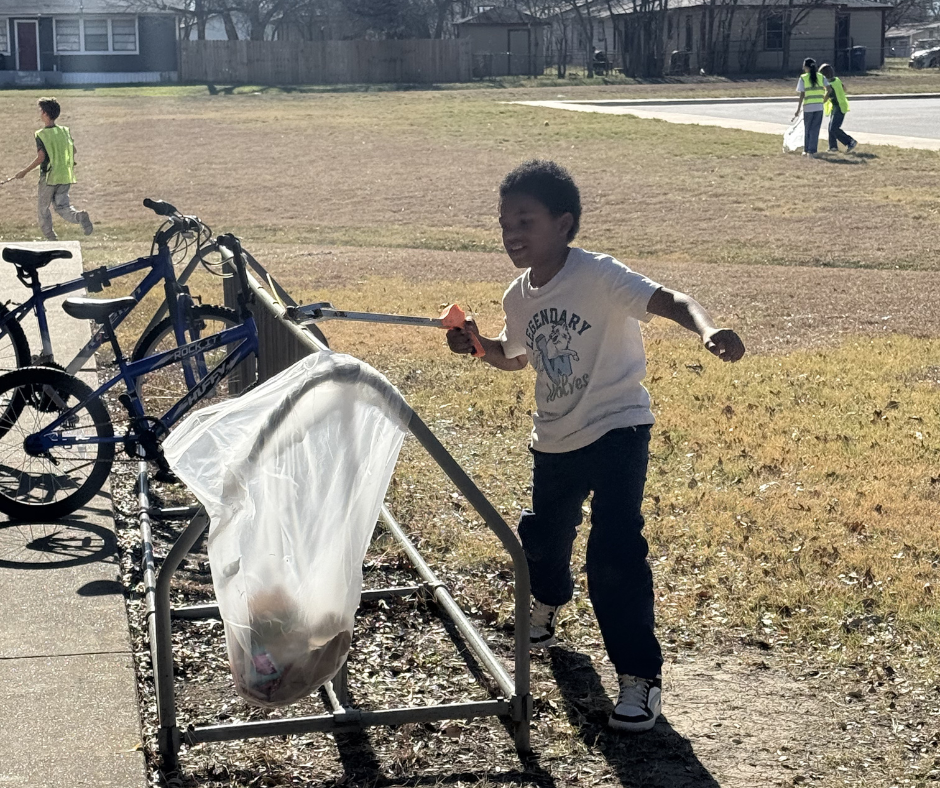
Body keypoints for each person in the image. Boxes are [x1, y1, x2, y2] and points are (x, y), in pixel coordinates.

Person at [446, 160, 745, 732]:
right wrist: (478, 346)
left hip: (618, 428)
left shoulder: (600, 274)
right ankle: (547, 602)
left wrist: (708, 330)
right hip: (554, 439)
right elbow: (515, 356)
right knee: (544, 538)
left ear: (564, 223)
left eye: (525, 221)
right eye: (504, 223)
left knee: (614, 552)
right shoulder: (518, 295)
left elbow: (672, 300)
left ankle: (638, 677)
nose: (511, 234)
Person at [14, 97, 93, 241]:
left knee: (43, 209)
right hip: (65, 175)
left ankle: (51, 238)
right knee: (62, 207)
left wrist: (24, 172)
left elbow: (41, 157)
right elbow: (73, 150)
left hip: (49, 177)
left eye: (40, 111)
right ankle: (79, 216)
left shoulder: (41, 134)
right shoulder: (64, 131)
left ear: (45, 113)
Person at [792, 58, 829, 157]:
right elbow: (829, 90)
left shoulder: (803, 78)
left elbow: (802, 95)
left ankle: (806, 150)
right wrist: (823, 100)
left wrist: (798, 109)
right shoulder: (821, 77)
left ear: (806, 67)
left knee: (807, 129)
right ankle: (812, 150)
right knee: (815, 129)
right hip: (819, 107)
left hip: (808, 107)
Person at [820, 63, 858, 153]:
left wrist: (819, 102)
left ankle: (850, 141)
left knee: (834, 128)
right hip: (837, 106)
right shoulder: (837, 80)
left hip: (839, 107)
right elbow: (844, 88)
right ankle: (833, 147)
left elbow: (826, 97)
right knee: (831, 127)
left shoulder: (830, 85)